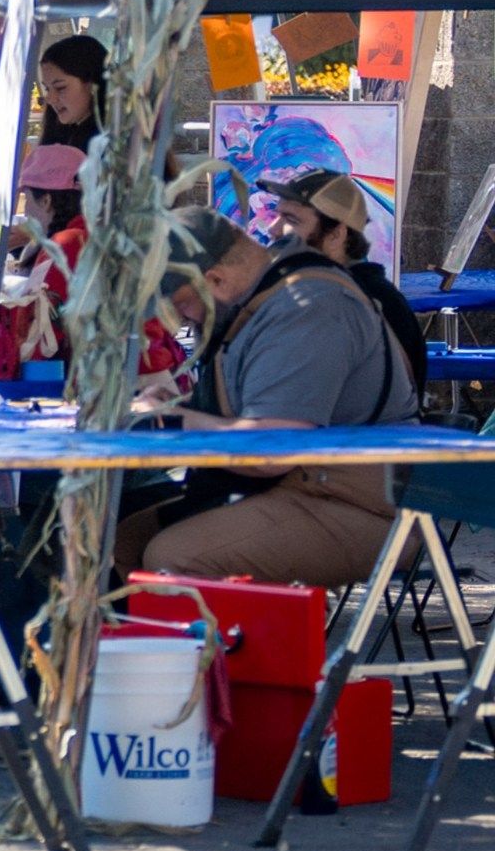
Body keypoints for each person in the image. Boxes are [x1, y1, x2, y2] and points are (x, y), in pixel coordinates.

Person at [117, 206, 417, 587]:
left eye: (181, 306)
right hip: (302, 488)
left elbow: (273, 449)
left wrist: (172, 421)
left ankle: (225, 647)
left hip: (358, 505)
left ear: (216, 280)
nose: (182, 321)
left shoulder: (307, 308)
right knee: (123, 534)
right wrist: (179, 407)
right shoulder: (263, 300)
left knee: (174, 557)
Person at [21, 143, 189, 387]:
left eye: (27, 199)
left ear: (46, 200)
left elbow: (36, 339)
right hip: (160, 378)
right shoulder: (121, 239)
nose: (26, 211)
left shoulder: (64, 247)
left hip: (120, 392)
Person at [265, 168, 427, 396]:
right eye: (277, 216)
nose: (273, 229)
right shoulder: (321, 289)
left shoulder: (362, 298)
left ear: (336, 235)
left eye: (291, 219)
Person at [37, 34, 108, 151]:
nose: (50, 99)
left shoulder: (108, 145)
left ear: (92, 84)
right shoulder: (64, 137)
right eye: (47, 89)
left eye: (60, 88)